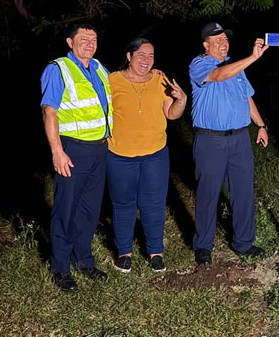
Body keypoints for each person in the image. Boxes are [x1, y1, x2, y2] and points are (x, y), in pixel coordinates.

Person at [40, 23, 113, 292]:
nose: (90, 43)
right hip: (73, 149)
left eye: (93, 39)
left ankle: (83, 259)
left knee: (89, 210)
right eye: (84, 39)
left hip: (99, 149)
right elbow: (49, 112)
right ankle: (60, 268)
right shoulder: (58, 69)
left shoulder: (99, 68)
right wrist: (57, 151)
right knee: (66, 210)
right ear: (70, 42)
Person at [189, 22, 269, 266]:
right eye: (217, 40)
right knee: (208, 193)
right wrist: (252, 58)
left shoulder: (236, 67)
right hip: (210, 140)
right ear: (206, 45)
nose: (223, 43)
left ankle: (244, 242)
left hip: (239, 139)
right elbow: (219, 76)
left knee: (243, 192)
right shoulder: (199, 64)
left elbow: (247, 97)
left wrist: (261, 125)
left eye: (225, 39)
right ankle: (204, 245)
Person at [106, 38, 187, 274]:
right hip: (120, 155)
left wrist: (181, 99)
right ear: (129, 57)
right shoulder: (112, 80)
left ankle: (155, 253)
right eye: (141, 55)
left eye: (151, 56)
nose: (146, 60)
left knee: (154, 203)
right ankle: (124, 253)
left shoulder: (160, 79)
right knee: (123, 204)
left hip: (155, 154)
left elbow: (171, 114)